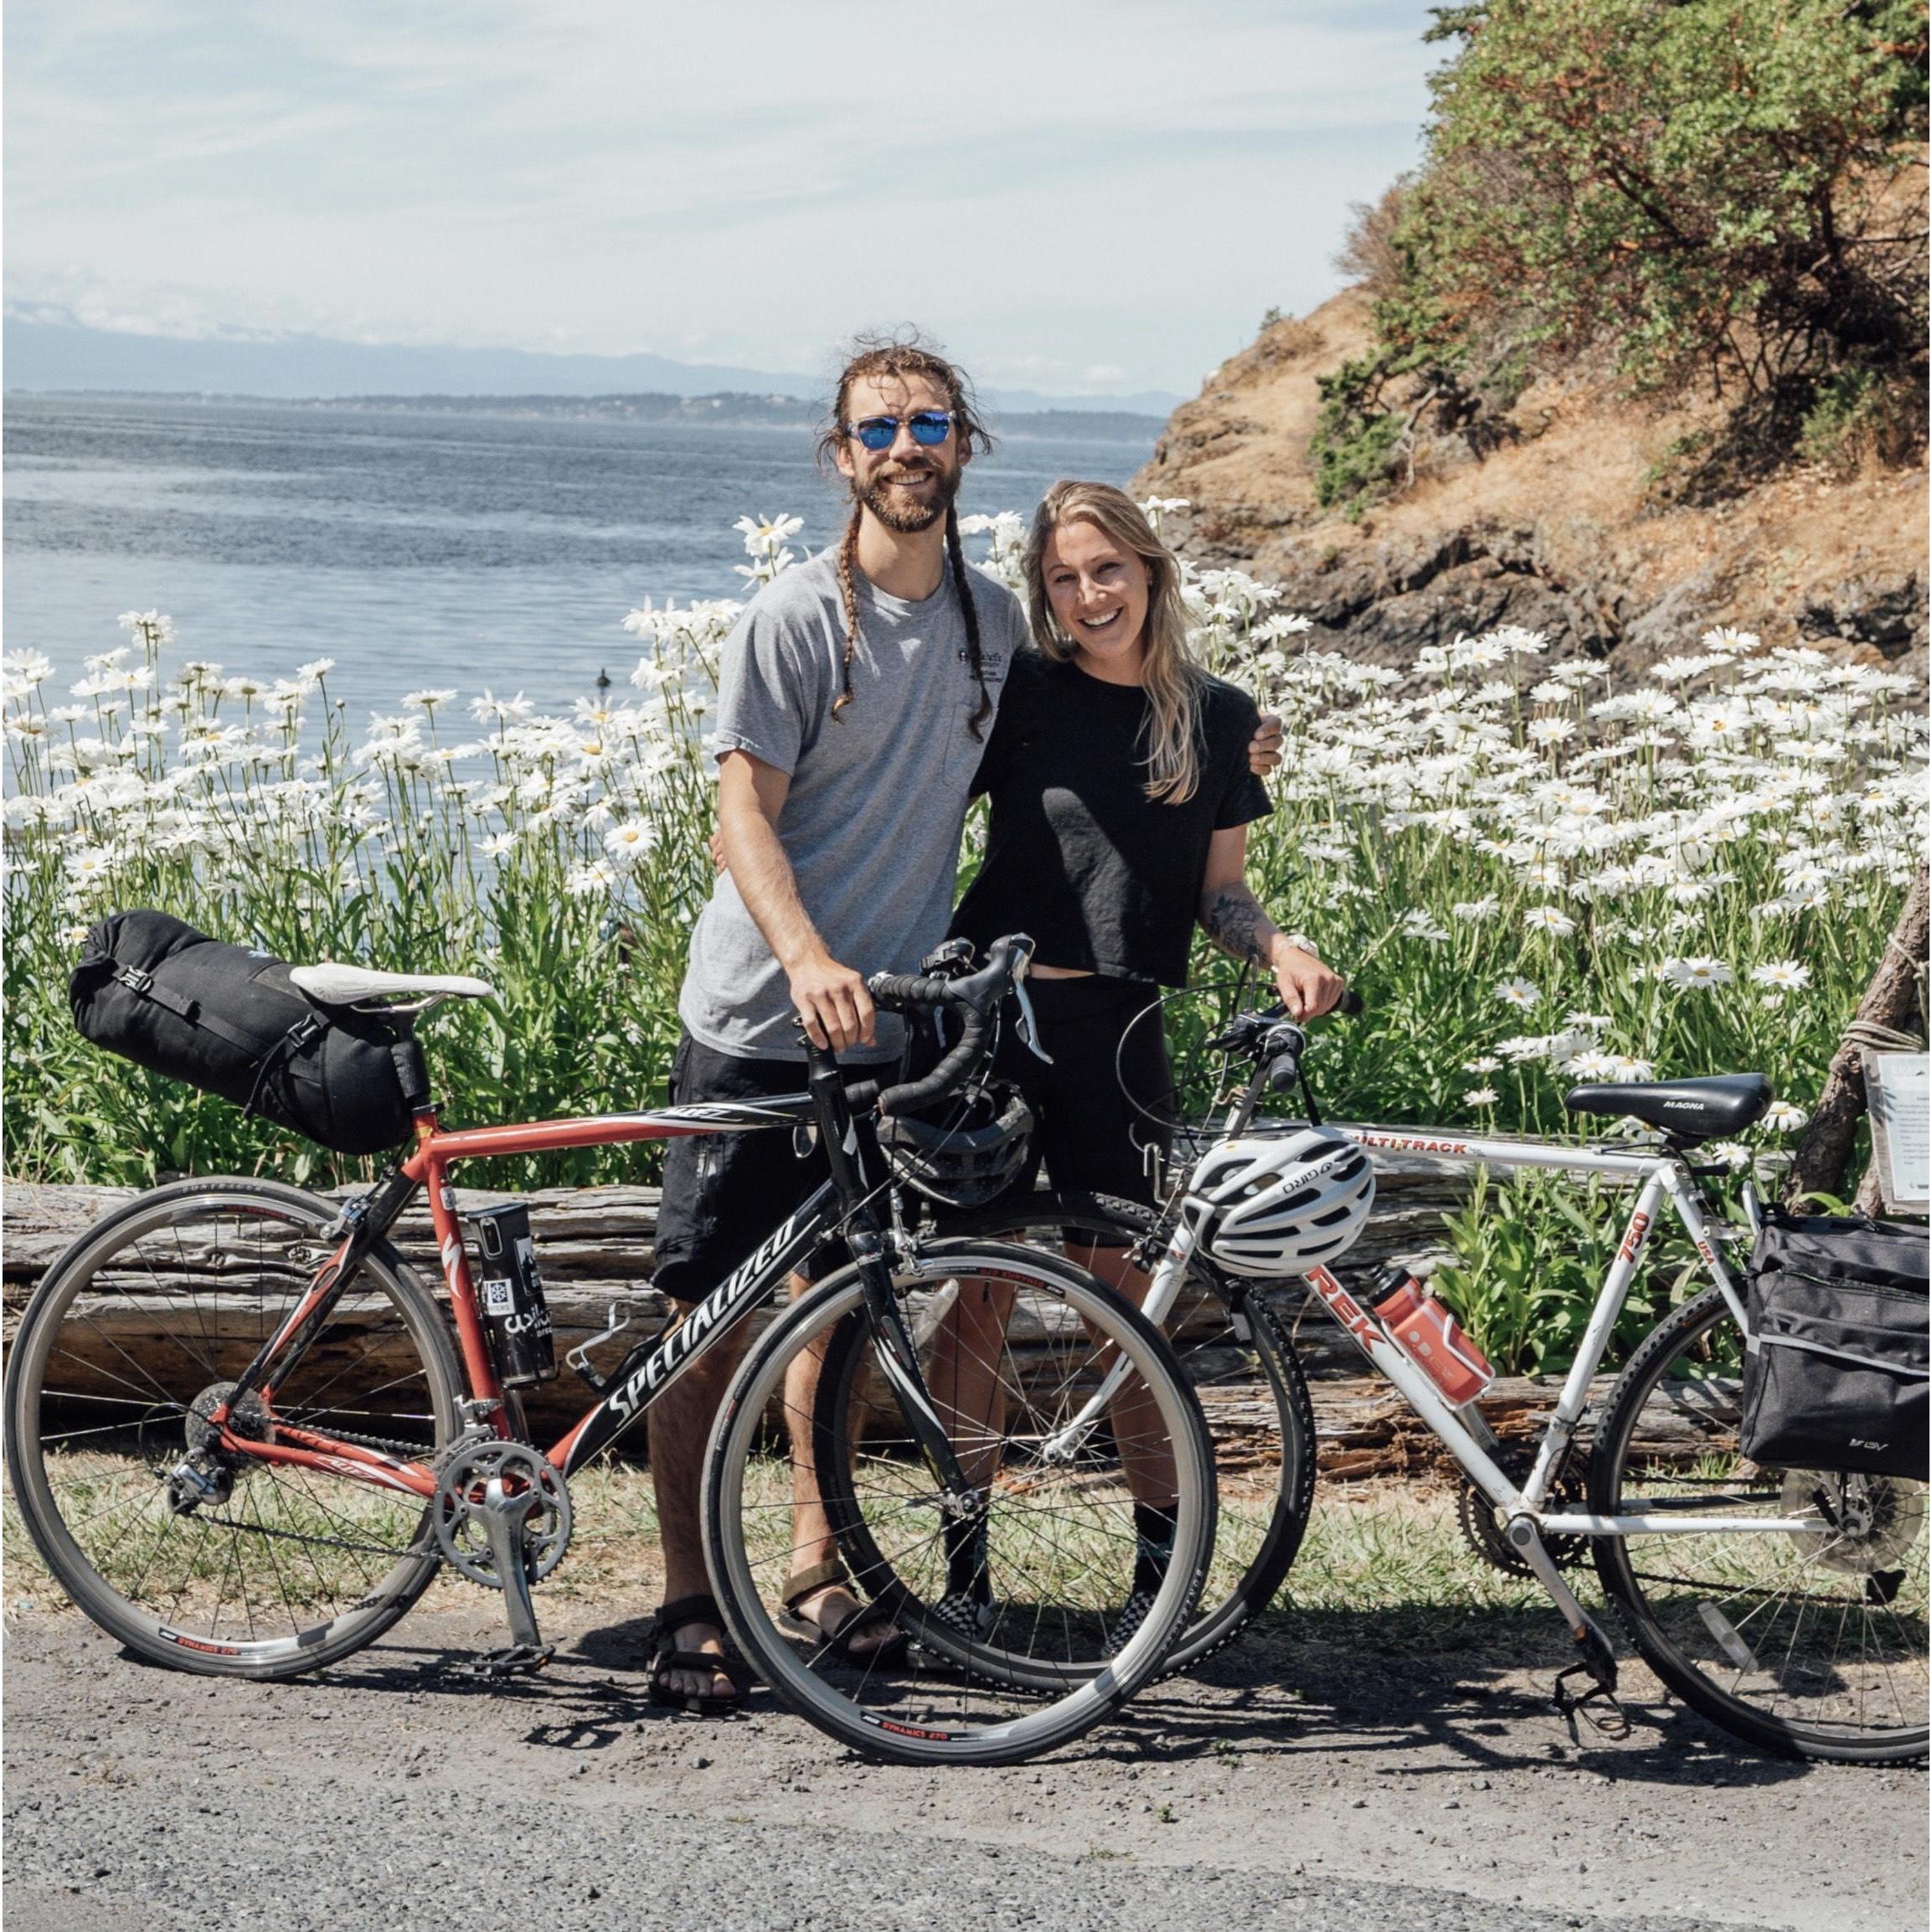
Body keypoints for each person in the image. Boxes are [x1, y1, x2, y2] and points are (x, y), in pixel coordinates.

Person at [648, 338, 1284, 1713]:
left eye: (927, 422)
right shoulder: (792, 619)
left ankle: (828, 1571)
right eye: (877, 426)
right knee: (708, 1315)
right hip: (766, 1012)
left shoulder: (995, 628)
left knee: (846, 1299)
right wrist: (806, 952)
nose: (904, 445)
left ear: (959, 445)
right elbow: (738, 813)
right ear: (842, 454)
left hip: (908, 1023)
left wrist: (1234, 741)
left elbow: (1123, 742)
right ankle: (690, 1600)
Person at [941, 479, 1346, 1384]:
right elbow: (916, 797)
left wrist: (1284, 948)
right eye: (1062, 580)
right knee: (975, 1291)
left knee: (1125, 1299)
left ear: (1152, 572)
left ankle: (1165, 1529)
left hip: (1118, 1034)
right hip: (987, 1027)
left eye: (1107, 570)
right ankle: (957, 1526)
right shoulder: (1026, 693)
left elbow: (1222, 892)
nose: (1089, 598)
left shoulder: (1220, 719)